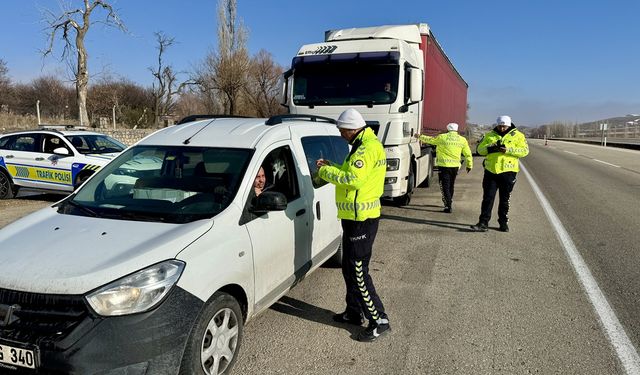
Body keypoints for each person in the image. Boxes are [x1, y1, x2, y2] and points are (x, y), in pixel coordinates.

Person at [316, 108, 390, 342]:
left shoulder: (366, 149)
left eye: (341, 131)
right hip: (354, 218)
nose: (340, 135)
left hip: (362, 220)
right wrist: (333, 165)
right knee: (349, 268)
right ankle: (354, 312)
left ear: (351, 129)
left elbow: (353, 179)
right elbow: (350, 172)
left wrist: (325, 171)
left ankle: (379, 319)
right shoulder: (361, 144)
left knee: (358, 271)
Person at [471, 115, 529, 232]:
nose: (502, 128)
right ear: (497, 125)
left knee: (504, 199)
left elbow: (524, 151)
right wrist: (490, 148)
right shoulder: (489, 135)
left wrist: (508, 150)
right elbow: (479, 150)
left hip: (508, 173)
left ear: (509, 125)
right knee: (488, 198)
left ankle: (503, 223)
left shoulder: (518, 136)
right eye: (500, 126)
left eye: (504, 126)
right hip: (491, 172)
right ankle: (483, 223)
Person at [414, 122, 473, 213]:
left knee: (444, 185)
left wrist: (419, 136)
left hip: (444, 166)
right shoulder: (462, 140)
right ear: (456, 130)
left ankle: (448, 205)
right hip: (455, 167)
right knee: (451, 185)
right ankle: (449, 201)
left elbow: (431, 140)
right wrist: (469, 165)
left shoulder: (442, 137)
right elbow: (468, 153)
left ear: (447, 129)